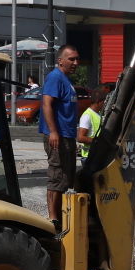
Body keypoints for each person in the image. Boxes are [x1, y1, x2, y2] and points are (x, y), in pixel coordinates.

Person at [38, 46, 79, 225]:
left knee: (66, 178)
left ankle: (61, 216)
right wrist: (54, 131)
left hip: (67, 136)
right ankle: (53, 219)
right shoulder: (55, 77)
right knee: (57, 177)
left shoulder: (66, 80)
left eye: (77, 59)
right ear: (60, 60)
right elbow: (47, 104)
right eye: (71, 59)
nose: (75, 63)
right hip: (58, 136)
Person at [76, 83, 108, 164]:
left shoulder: (98, 113)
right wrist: (98, 142)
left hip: (96, 155)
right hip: (89, 157)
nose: (105, 104)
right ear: (97, 102)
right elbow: (80, 138)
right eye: (104, 102)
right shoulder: (87, 116)